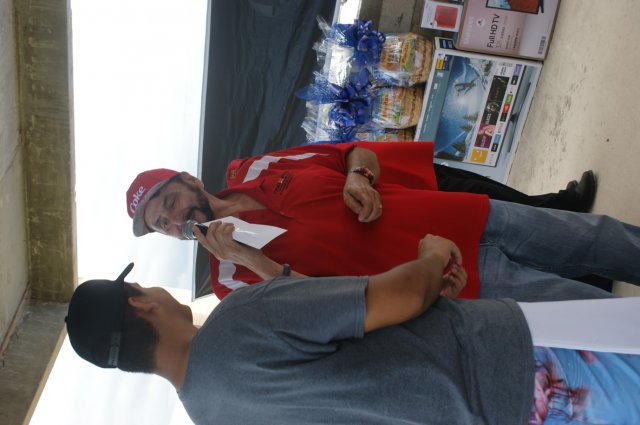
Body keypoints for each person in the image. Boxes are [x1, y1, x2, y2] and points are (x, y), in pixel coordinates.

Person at [65, 236, 640, 425]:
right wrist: (430, 256)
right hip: (523, 368)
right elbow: (399, 296)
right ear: (140, 304)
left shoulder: (212, 417)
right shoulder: (239, 318)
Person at [125, 141, 624, 301]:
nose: (173, 218)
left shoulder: (255, 168)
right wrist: (245, 256)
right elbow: (321, 307)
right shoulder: (229, 281)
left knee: (598, 238)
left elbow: (350, 151)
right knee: (588, 307)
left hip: (462, 214)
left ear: (190, 180)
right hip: (451, 279)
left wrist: (358, 176)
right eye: (161, 223)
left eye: (169, 200)